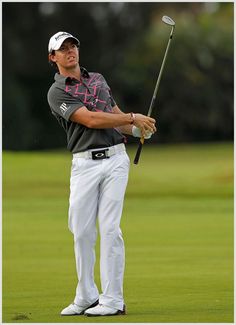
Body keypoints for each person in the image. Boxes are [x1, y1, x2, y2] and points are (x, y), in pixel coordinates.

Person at [47, 31, 156, 317]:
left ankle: (113, 300)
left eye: (73, 46)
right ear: (53, 57)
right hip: (84, 165)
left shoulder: (98, 79)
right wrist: (132, 117)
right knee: (81, 232)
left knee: (109, 229)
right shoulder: (57, 91)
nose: (71, 51)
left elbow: (113, 116)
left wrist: (136, 130)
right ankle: (86, 295)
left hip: (115, 161)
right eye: (63, 49)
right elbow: (92, 119)